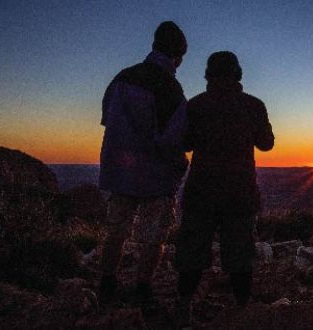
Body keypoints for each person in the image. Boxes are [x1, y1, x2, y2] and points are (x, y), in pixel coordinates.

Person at [173, 51, 275, 327]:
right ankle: (242, 310)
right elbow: (267, 143)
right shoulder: (253, 105)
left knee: (192, 254)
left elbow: (185, 144)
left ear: (208, 75)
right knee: (240, 255)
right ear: (238, 73)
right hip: (239, 192)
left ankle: (183, 308)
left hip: (201, 190)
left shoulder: (195, 105)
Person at [98, 21, 189, 302]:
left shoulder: (121, 78)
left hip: (119, 170)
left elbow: (106, 119)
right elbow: (174, 138)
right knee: (153, 236)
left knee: (116, 229)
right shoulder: (170, 89)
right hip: (155, 176)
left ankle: (107, 285)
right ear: (178, 55)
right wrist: (179, 163)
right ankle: (142, 288)